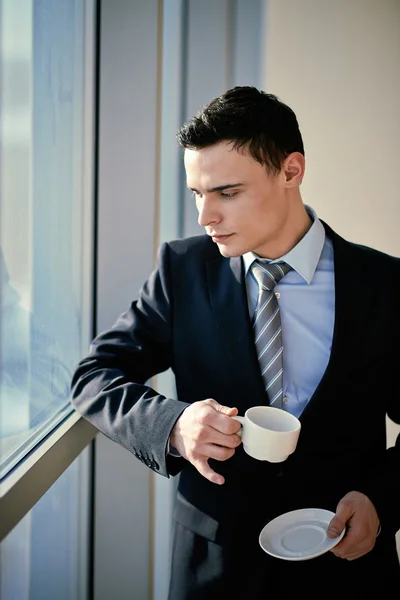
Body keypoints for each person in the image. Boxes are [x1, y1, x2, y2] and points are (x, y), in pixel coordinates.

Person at [70, 86, 400, 598]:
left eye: (227, 192)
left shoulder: (385, 284)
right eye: (198, 194)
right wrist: (174, 423)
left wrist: (384, 500)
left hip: (348, 568)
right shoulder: (181, 270)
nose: (206, 217)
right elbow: (94, 376)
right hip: (216, 568)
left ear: (291, 170)